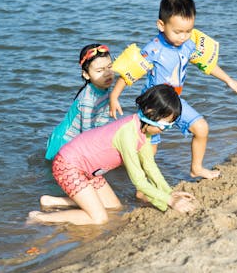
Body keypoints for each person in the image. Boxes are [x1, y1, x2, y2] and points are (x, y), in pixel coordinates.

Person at [109, 0, 237, 180]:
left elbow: (206, 63)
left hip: (175, 101)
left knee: (201, 128)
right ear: (161, 25)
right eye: (178, 32)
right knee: (150, 150)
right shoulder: (154, 49)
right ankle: (137, 183)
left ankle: (196, 168)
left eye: (188, 31)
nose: (183, 37)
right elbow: (130, 73)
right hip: (154, 104)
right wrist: (114, 97)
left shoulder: (188, 46)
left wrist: (229, 80)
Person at [28, 85, 197, 225]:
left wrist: (169, 193)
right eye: (164, 125)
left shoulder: (144, 132)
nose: (164, 130)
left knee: (114, 208)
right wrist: (170, 202)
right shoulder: (128, 133)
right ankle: (39, 217)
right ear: (151, 112)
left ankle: (51, 202)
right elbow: (138, 180)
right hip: (68, 165)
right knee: (99, 218)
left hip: (89, 171)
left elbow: (149, 165)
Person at [45, 44, 114, 161]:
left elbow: (100, 123)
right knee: (57, 175)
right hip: (64, 142)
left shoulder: (104, 88)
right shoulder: (88, 100)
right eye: (99, 70)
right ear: (86, 74)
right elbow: (87, 134)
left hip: (79, 140)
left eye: (110, 67)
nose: (107, 73)